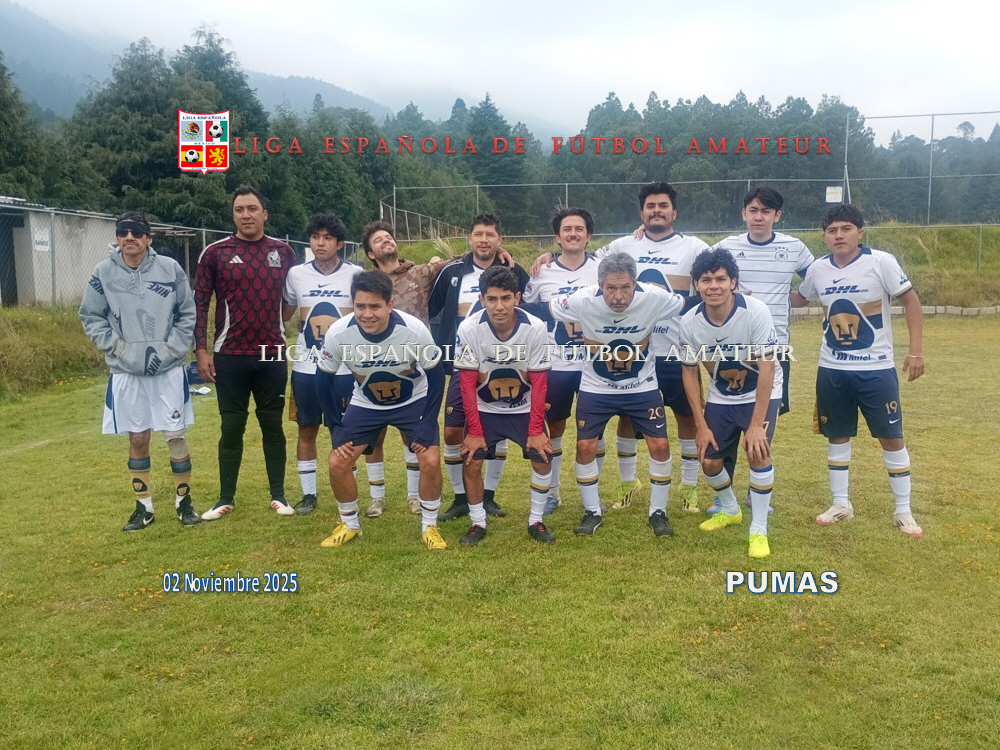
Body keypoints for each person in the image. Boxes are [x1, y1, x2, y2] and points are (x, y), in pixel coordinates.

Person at [535, 183, 707, 512]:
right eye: (650, 206)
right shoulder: (623, 245)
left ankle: (689, 488)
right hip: (629, 350)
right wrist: (551, 257)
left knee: (686, 417)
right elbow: (580, 255)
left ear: (674, 212)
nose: (656, 211)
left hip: (674, 348)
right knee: (627, 415)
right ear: (641, 212)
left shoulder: (694, 246)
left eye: (663, 206)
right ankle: (628, 483)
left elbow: (713, 275)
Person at [791, 203, 925, 538]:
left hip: (876, 369)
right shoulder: (818, 269)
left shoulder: (881, 262)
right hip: (832, 369)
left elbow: (911, 301)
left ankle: (904, 510)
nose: (839, 235)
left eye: (846, 229)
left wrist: (916, 352)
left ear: (860, 232)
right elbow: (799, 299)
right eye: (832, 230)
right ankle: (841, 504)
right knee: (837, 434)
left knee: (891, 437)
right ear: (824, 236)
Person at [79, 211, 201, 531]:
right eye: (123, 232)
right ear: (117, 237)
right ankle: (143, 507)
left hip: (168, 369)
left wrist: (172, 350)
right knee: (138, 437)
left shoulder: (170, 269)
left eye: (136, 232)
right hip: (127, 371)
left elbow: (187, 312)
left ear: (149, 238)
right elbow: (91, 316)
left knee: (175, 436)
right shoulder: (103, 272)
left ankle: (184, 503)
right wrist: (118, 349)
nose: (129, 237)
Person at [550, 252, 685, 537]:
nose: (619, 296)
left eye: (625, 287)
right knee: (585, 447)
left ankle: (658, 512)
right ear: (600, 285)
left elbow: (685, 303)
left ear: (635, 283)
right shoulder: (582, 299)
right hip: (595, 387)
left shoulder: (654, 297)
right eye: (611, 288)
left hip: (642, 386)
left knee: (660, 445)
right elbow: (549, 307)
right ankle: (592, 511)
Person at [315, 270, 447, 550]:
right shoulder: (338, 332)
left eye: (375, 306)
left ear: (390, 304)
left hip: (413, 402)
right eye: (360, 306)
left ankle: (430, 526)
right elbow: (323, 379)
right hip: (367, 404)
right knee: (338, 461)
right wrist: (335, 426)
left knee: (430, 459)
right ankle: (349, 524)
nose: (367, 314)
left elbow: (436, 376)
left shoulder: (414, 330)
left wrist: (428, 421)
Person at [705, 186, 814, 516]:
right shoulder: (726, 247)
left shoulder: (794, 248)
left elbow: (815, 278)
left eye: (766, 211)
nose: (758, 216)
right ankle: (723, 497)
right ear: (744, 213)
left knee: (763, 424)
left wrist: (794, 299)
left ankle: (757, 492)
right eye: (753, 210)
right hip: (730, 349)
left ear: (777, 216)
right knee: (726, 423)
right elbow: (701, 272)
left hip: (774, 350)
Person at [193, 186, 298, 520]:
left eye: (252, 208)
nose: (246, 215)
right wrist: (200, 350)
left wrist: (274, 323)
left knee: (273, 426)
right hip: (230, 354)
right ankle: (225, 498)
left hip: (271, 354)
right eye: (239, 210)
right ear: (233, 215)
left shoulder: (283, 252)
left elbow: (291, 300)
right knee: (231, 427)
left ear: (264, 214)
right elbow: (200, 304)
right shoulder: (215, 253)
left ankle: (279, 496)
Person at [678, 248, 784, 559]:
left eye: (721, 279)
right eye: (706, 280)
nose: (713, 286)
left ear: (733, 283)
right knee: (709, 461)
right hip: (721, 396)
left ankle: (759, 528)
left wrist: (756, 425)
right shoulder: (689, 322)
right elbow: (689, 372)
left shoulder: (756, 311)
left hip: (760, 394)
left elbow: (767, 367)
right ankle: (730, 509)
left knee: (757, 452)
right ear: (696, 284)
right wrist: (700, 425)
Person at [428, 214, 530, 522]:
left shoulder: (515, 271)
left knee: (498, 430)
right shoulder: (451, 273)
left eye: (490, 234)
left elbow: (527, 309)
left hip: (505, 366)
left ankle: (488, 496)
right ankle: (461, 497)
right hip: (463, 365)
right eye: (478, 234)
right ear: (469, 238)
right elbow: (435, 309)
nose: (484, 240)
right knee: (452, 431)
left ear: (500, 240)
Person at [455, 266, 554, 546]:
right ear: (481, 299)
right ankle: (477, 522)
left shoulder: (535, 327)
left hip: (523, 408)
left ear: (517, 298)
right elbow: (466, 384)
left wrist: (535, 430)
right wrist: (475, 432)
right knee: (472, 461)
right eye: (492, 299)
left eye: (506, 298)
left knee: (542, 457)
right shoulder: (469, 328)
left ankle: (536, 520)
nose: (499, 306)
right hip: (485, 409)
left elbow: (539, 383)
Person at [282, 213, 364, 516]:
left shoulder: (355, 274)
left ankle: (349, 488)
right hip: (306, 368)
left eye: (327, 238)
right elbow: (285, 314)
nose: (320, 243)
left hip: (344, 369)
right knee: (306, 428)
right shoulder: (296, 274)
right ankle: (308, 494)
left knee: (344, 430)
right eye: (316, 237)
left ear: (339, 243)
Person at [520, 208, 601, 515]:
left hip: (595, 364)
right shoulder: (542, 272)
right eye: (567, 229)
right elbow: (525, 311)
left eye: (579, 229)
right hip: (556, 364)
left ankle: (592, 494)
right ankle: (552, 492)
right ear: (557, 237)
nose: (573, 234)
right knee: (554, 427)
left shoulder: (602, 268)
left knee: (594, 429)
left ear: (588, 236)